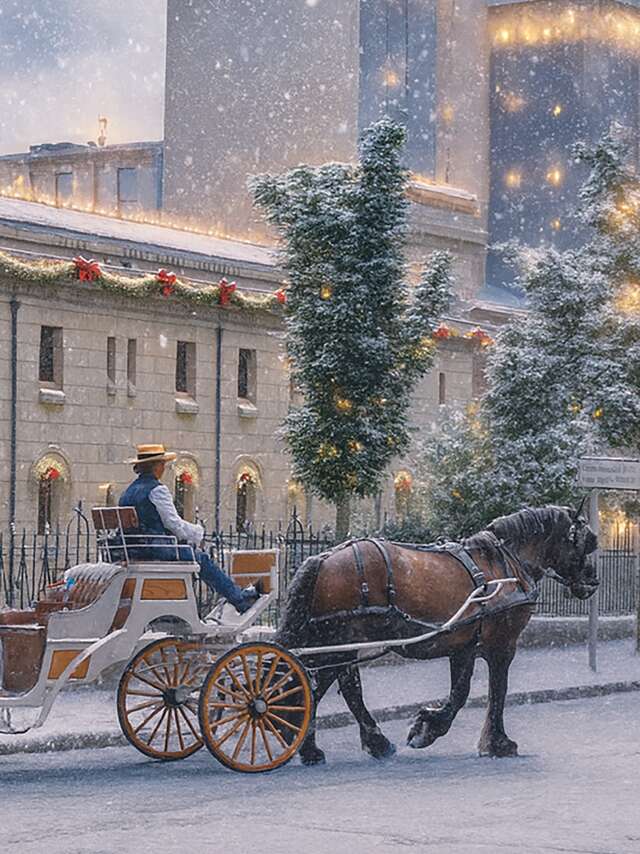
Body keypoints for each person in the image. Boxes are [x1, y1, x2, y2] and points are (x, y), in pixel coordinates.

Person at [119, 444, 260, 614]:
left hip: (133, 549)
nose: (164, 468)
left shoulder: (128, 493)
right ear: (156, 466)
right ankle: (238, 598)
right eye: (163, 464)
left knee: (194, 555)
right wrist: (197, 533)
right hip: (156, 549)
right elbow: (174, 524)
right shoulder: (157, 490)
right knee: (201, 559)